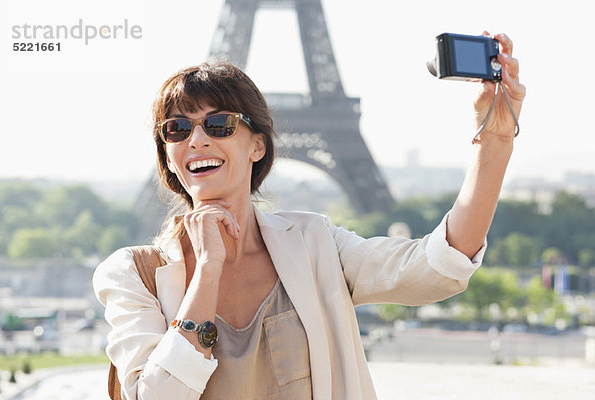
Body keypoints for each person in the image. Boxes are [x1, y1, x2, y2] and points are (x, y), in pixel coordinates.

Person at [93, 32, 525, 400]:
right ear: (167, 156)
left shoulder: (315, 243)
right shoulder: (131, 275)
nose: (197, 140)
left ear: (257, 146)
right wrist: (207, 268)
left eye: (220, 124)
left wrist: (495, 141)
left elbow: (438, 267)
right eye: (178, 129)